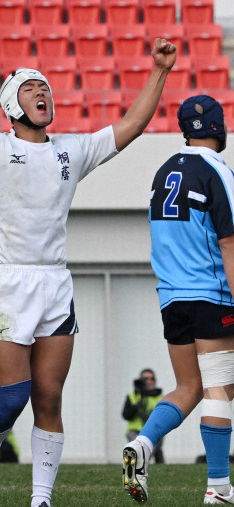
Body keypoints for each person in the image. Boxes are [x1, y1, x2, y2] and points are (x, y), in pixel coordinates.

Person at [0, 28, 176, 507]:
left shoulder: (70, 150)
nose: (42, 92)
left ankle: (41, 499)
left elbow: (131, 125)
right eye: (30, 88)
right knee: (11, 396)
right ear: (10, 105)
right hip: (9, 282)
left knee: (49, 398)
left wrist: (159, 71)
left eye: (45, 87)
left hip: (55, 282)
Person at [122, 94, 234, 505]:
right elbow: (229, 244)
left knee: (189, 386)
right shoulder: (219, 173)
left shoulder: (164, 170)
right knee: (219, 389)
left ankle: (144, 445)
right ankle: (219, 489)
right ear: (220, 128)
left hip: (172, 297)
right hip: (212, 294)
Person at [122, 369, 164, 464]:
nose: (149, 381)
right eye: (146, 379)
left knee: (146, 452)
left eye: (152, 378)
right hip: (135, 431)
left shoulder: (160, 396)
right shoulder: (132, 396)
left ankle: (142, 465)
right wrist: (136, 407)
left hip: (153, 431)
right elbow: (125, 415)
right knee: (141, 451)